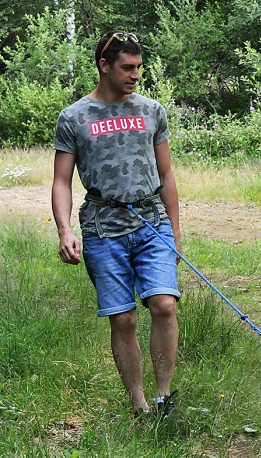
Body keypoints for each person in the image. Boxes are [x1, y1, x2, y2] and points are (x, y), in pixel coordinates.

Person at [52, 31, 181, 417]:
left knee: (163, 304)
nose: (136, 75)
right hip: (102, 228)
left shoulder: (151, 110)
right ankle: (139, 404)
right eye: (127, 67)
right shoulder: (73, 117)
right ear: (103, 66)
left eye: (139, 67)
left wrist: (175, 231)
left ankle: (163, 398)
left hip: (151, 221)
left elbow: (167, 173)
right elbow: (61, 181)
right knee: (123, 318)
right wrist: (64, 230)